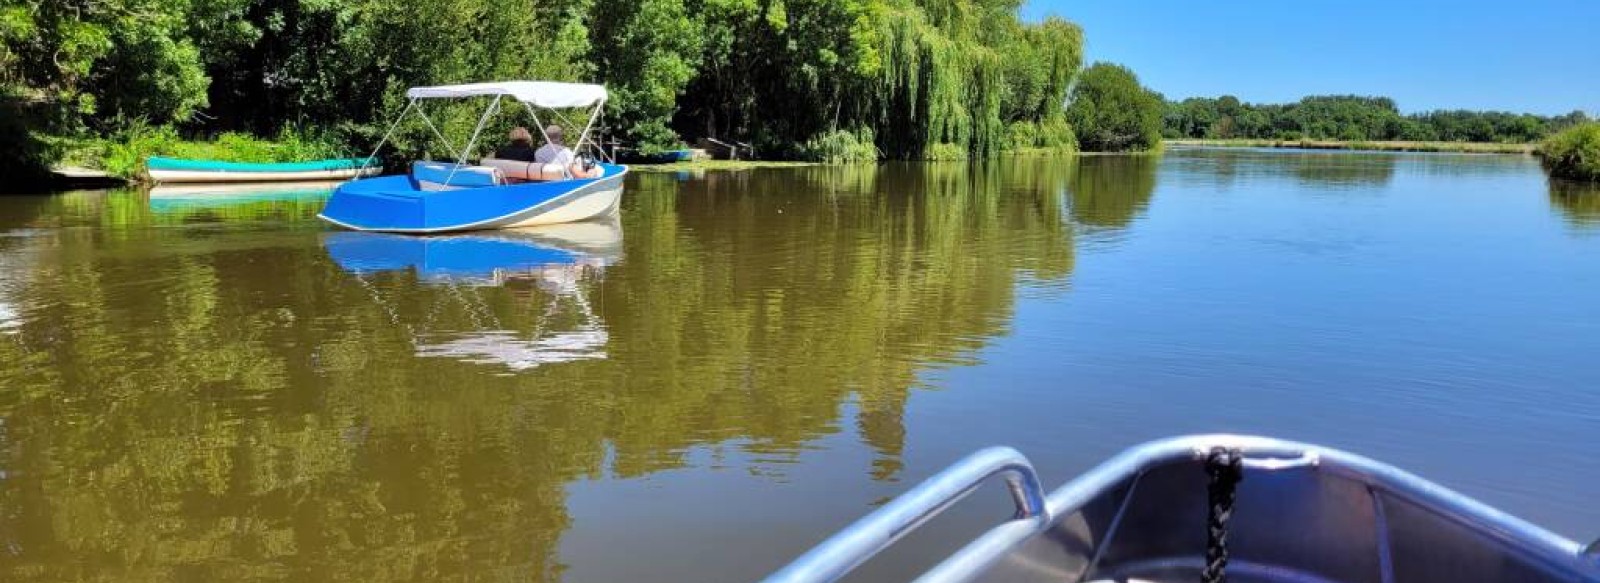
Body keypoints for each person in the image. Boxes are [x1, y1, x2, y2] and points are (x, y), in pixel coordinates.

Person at [534, 125, 601, 179]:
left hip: (545, 183)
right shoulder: (566, 152)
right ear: (560, 137)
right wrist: (589, 173)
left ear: (546, 136)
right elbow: (575, 173)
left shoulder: (538, 153)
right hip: (563, 184)